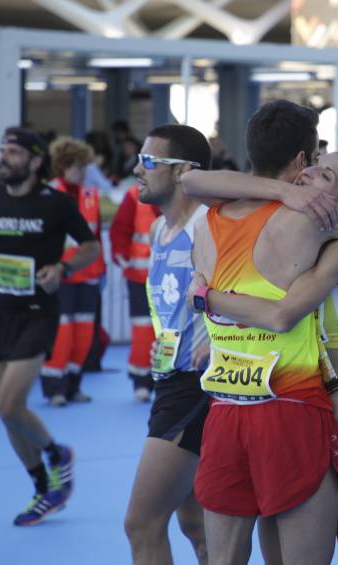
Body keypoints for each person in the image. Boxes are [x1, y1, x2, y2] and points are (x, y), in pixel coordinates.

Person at [182, 99, 338, 564]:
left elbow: (284, 315)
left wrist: (206, 298)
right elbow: (193, 180)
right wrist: (286, 193)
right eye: (314, 166)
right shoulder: (296, 224)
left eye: (325, 176)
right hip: (293, 413)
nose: (311, 177)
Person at [0, 127, 101, 526]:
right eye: (2, 150)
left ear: (33, 161)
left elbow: (91, 246)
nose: (4, 158)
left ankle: (56, 454)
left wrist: (61, 268)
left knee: (11, 404)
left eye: (12, 152)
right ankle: (43, 488)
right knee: (7, 413)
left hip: (38, 312)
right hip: (1, 314)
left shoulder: (55, 203)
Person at [123, 125, 214, 565]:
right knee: (196, 526)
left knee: (141, 524)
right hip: (169, 380)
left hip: (194, 389)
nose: (137, 168)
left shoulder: (207, 227)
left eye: (150, 162)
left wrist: (221, 340)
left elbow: (261, 289)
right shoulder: (160, 227)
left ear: (182, 172)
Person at [39, 137, 106, 406]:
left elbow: (97, 235)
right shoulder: (47, 194)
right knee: (61, 335)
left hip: (88, 275)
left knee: (83, 334)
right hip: (61, 276)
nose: (82, 172)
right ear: (62, 166)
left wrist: (102, 269)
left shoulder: (91, 194)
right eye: (77, 167)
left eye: (84, 167)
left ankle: (74, 385)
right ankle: (55, 388)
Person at [110, 182, 161, 401]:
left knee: (168, 331)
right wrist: (121, 253)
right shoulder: (133, 196)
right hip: (139, 277)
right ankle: (141, 380)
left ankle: (164, 379)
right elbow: (120, 229)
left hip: (169, 279)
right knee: (142, 330)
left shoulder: (183, 192)